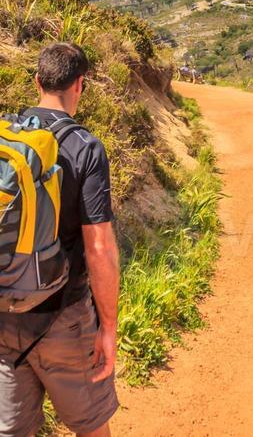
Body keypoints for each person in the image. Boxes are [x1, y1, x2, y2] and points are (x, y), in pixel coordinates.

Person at [0, 43, 118, 436]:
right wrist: (109, 327)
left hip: (3, 311)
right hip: (62, 317)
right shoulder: (85, 148)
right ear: (79, 85)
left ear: (37, 81)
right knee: (91, 426)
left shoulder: (7, 138)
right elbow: (99, 247)